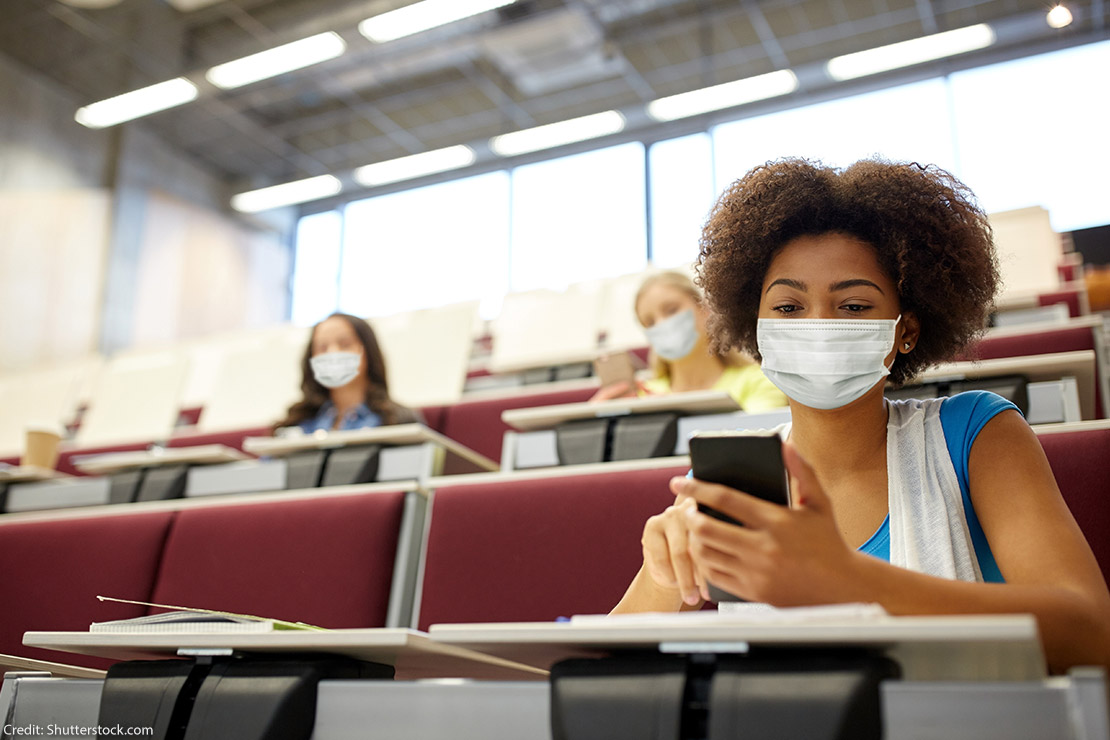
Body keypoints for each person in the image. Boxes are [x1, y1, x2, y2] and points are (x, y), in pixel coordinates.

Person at [612, 158, 1110, 673]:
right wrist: (662, 576)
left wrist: (843, 579)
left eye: (853, 306)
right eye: (787, 308)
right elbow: (605, 668)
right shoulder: (728, 480)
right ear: (755, 326)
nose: (819, 325)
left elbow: (1091, 636)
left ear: (905, 330)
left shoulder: (977, 434)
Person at [593, 271, 787, 412]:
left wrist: (674, 413)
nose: (662, 325)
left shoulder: (760, 381)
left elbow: (756, 445)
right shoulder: (641, 398)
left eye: (672, 310)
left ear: (704, 309)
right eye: (649, 322)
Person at [274, 312, 418, 433]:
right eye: (322, 348)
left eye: (345, 344)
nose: (332, 353)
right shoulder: (296, 425)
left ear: (368, 352)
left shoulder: (398, 421)